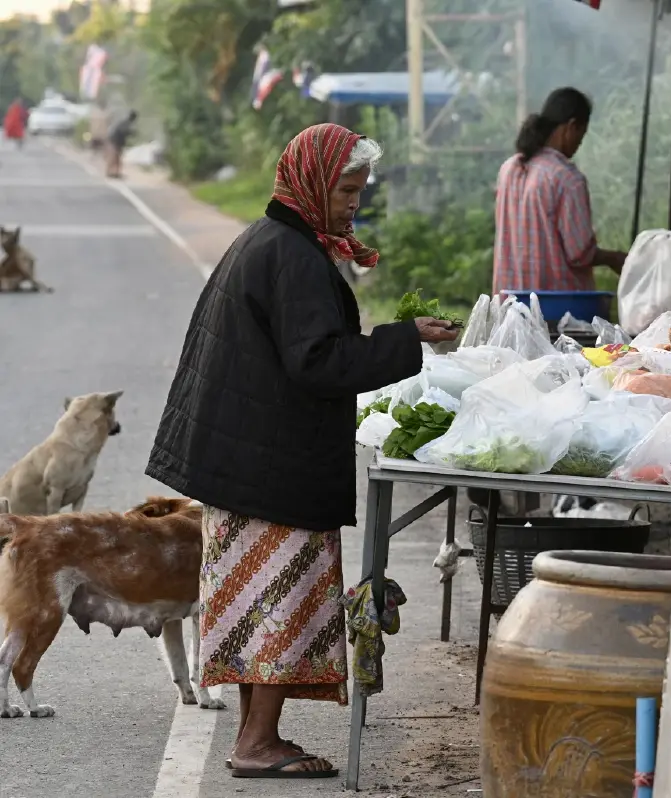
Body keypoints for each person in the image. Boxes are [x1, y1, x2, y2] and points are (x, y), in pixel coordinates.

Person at [146, 123, 458, 778]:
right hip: (269, 465)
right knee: (278, 606)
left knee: (260, 606)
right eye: (346, 189)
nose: (353, 204)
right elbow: (318, 361)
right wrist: (406, 342)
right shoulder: (292, 256)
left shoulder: (280, 242)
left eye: (359, 191)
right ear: (314, 183)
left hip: (249, 460)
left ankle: (257, 736)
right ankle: (257, 742)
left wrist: (400, 338)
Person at [492, 86, 626, 294]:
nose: (579, 143)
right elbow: (579, 253)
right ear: (571, 126)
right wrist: (613, 258)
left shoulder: (509, 169)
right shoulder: (567, 178)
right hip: (556, 311)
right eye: (581, 134)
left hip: (509, 309)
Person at [105, 110, 137, 178]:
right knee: (114, 157)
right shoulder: (126, 123)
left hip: (117, 141)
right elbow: (124, 132)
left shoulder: (125, 123)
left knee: (116, 157)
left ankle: (114, 172)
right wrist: (132, 133)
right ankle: (112, 172)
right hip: (116, 141)